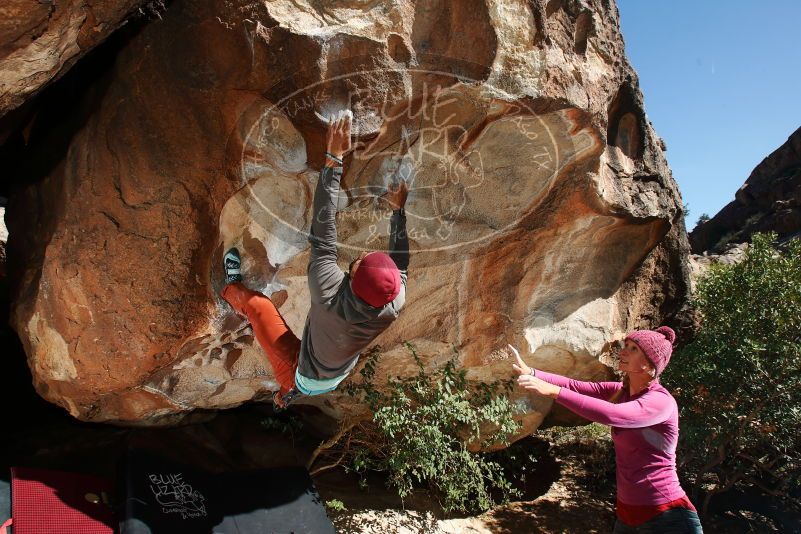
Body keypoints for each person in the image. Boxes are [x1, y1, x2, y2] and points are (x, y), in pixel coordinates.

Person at [220, 110, 409, 408]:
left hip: (302, 371)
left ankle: (230, 288)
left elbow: (323, 227)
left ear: (354, 282)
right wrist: (398, 212)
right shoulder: (392, 300)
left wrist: (334, 157)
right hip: (336, 370)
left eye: (361, 260)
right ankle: (288, 395)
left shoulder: (329, 295)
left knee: (259, 306)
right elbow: (402, 265)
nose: (361, 255)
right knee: (301, 379)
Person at [512, 327, 703, 533]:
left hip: (668, 516)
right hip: (627, 516)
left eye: (633, 349)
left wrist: (552, 391)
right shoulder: (620, 391)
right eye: (626, 346)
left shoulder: (660, 402)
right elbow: (574, 385)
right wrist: (531, 372)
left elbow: (613, 415)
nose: (623, 352)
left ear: (649, 364)